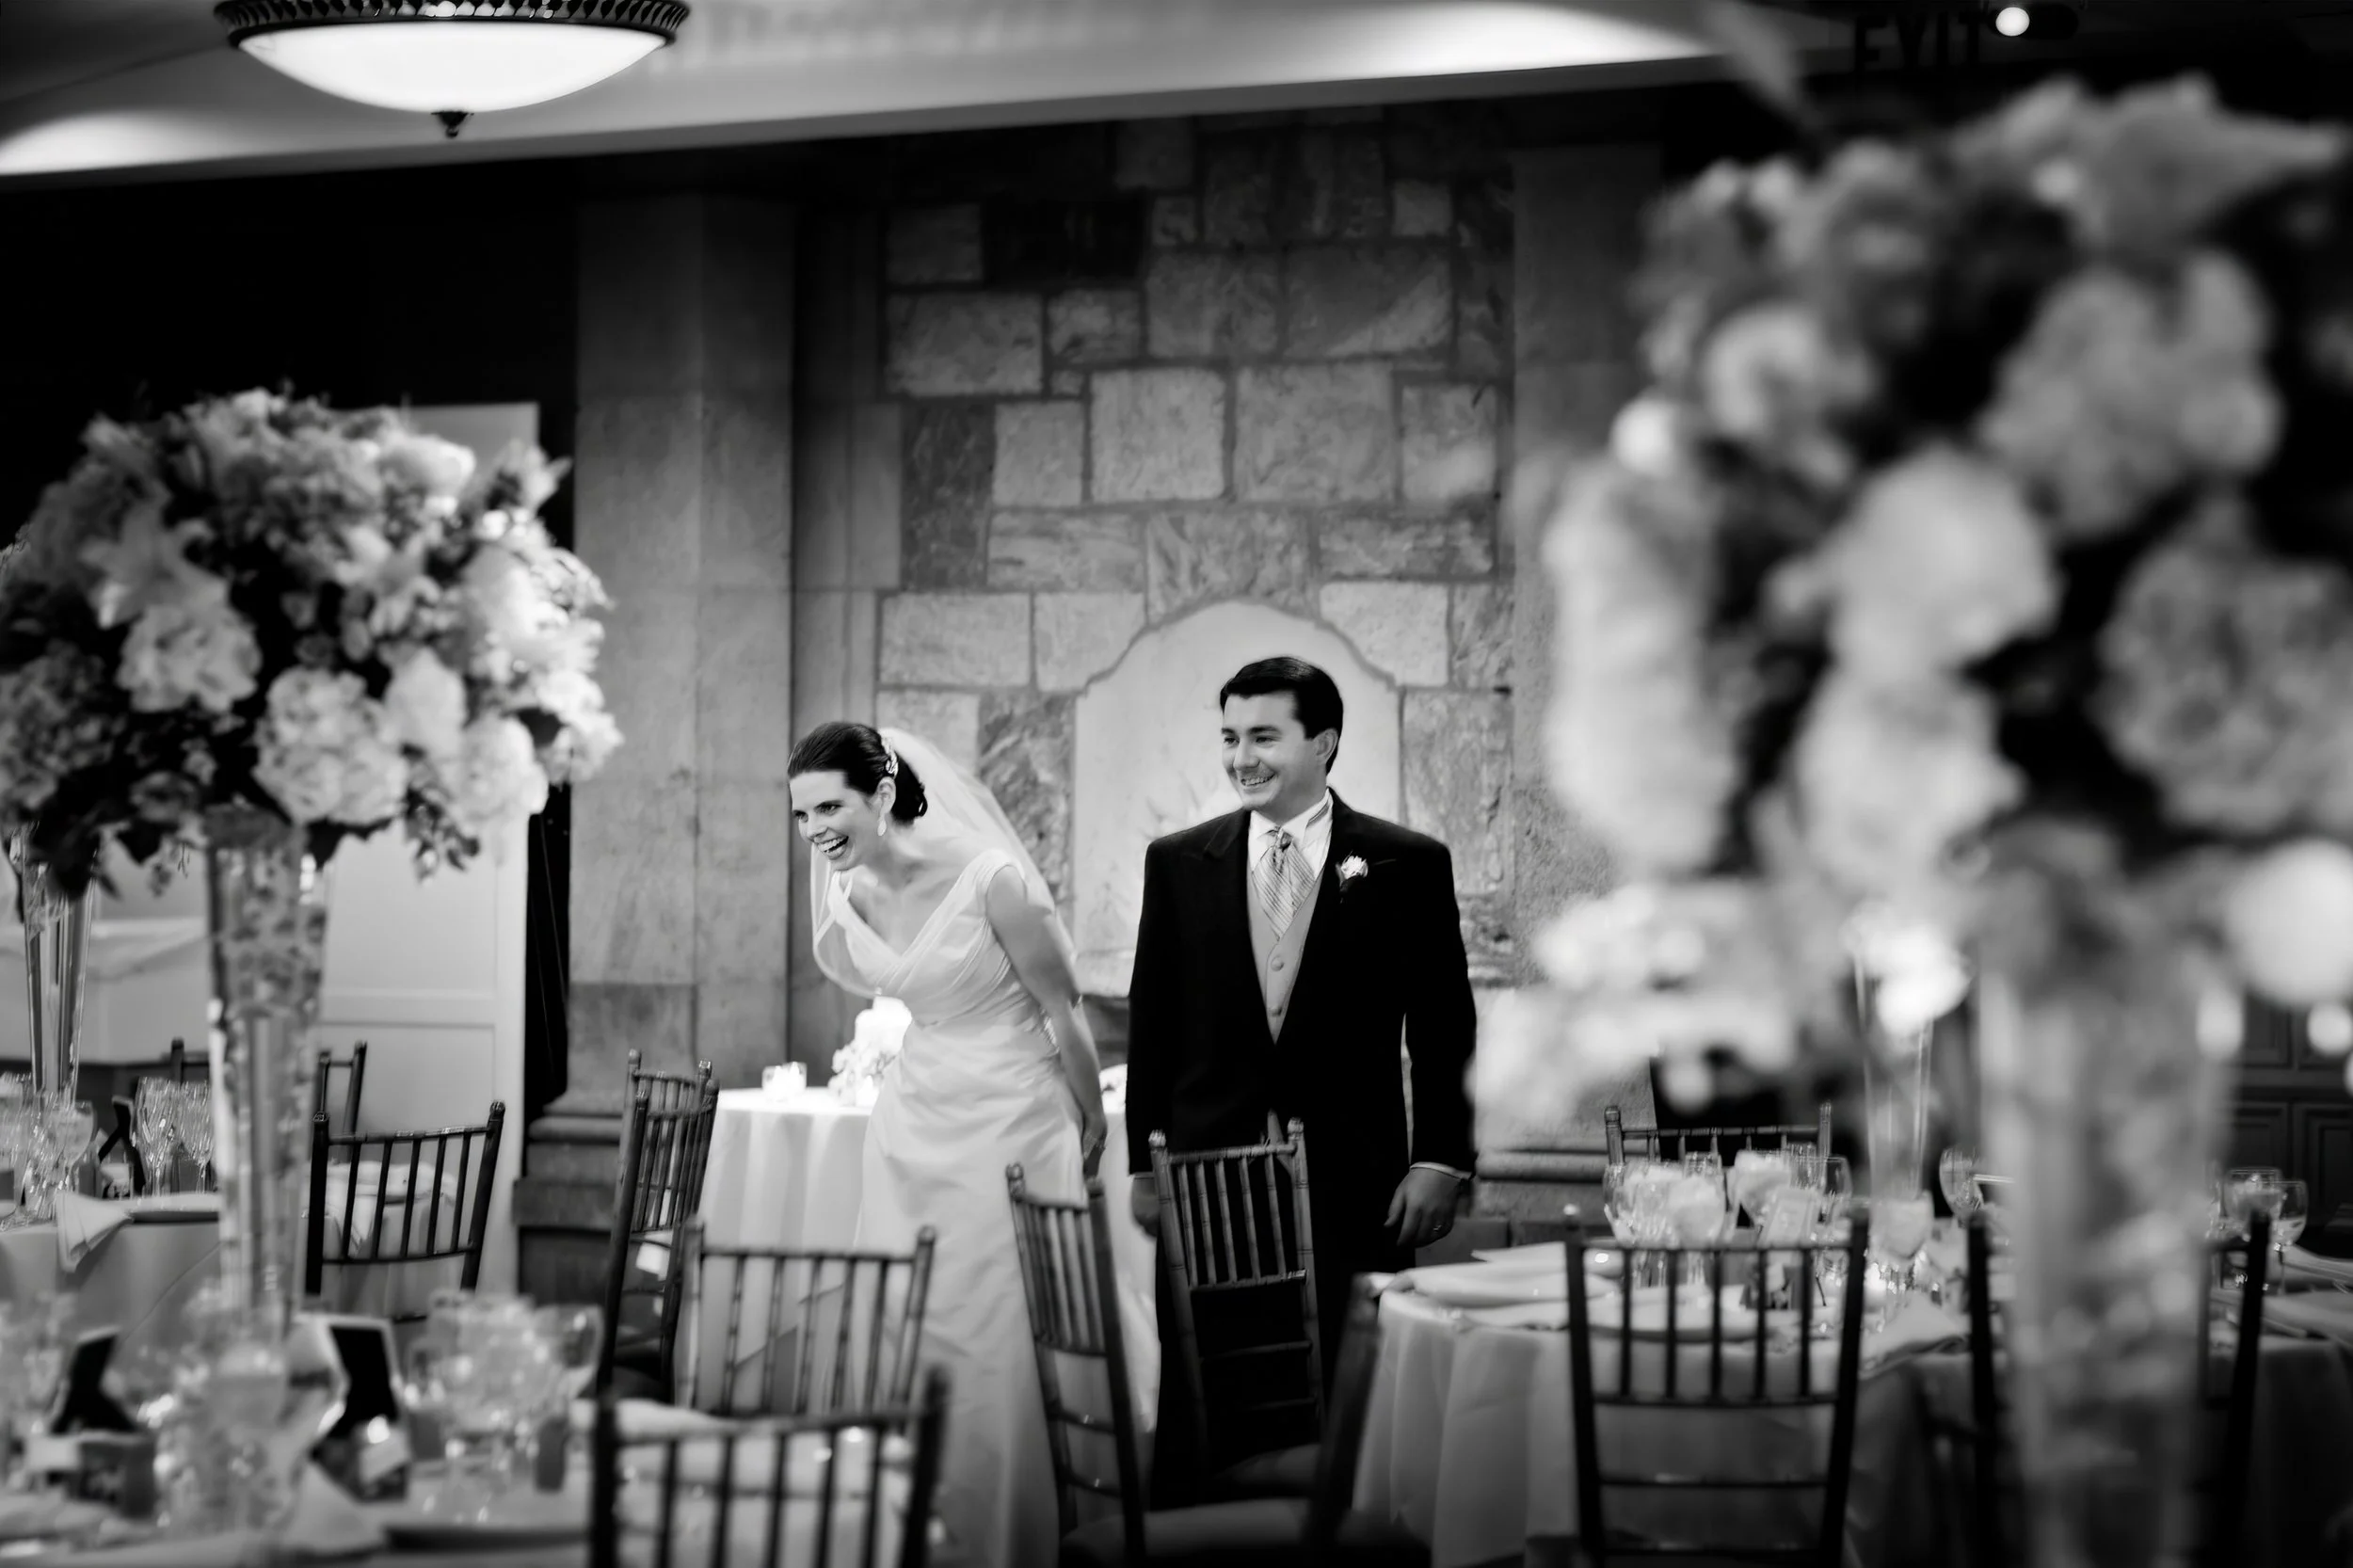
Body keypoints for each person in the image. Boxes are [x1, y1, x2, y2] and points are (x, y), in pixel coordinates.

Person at [1125, 655, 1479, 1496]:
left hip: (1354, 1177)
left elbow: (1444, 1025)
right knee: (1212, 1389)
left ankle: (1347, 1540)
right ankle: (1198, 1542)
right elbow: (1154, 1021)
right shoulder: (1177, 863)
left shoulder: (1406, 863)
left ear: (1322, 743)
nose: (1240, 757)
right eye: (1229, 738)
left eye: (1262, 737)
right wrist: (1145, 1164)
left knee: (1352, 1389)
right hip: (1210, 1176)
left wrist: (1440, 1159)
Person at [789, 720, 1112, 1568]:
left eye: (831, 806)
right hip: (914, 1119)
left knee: (998, 1320)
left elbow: (1062, 1007)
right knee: (913, 1315)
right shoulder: (842, 885)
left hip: (1015, 1114)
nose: (816, 829)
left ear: (884, 795)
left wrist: (1091, 1116)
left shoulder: (989, 876)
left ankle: (1014, 1523)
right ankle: (912, 1519)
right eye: (800, 814)